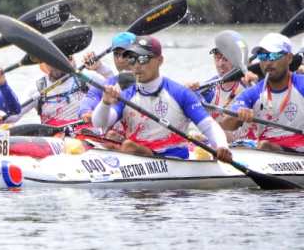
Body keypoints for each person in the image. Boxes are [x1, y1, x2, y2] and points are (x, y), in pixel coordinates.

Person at [92, 36, 232, 161]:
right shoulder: (127, 95)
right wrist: (105, 103)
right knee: (116, 141)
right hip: (138, 156)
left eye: (143, 59)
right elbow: (99, 123)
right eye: (132, 59)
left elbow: (208, 125)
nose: (137, 65)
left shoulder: (180, 93)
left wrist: (222, 146)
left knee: (128, 146)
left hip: (174, 159)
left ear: (160, 60)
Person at [220, 33, 304, 152]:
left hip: (298, 149)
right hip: (267, 150)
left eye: (274, 56)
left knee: (265, 146)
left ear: (289, 58)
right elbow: (226, 125)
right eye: (263, 56)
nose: (268, 62)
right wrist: (238, 116)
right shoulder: (253, 93)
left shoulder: (301, 85)